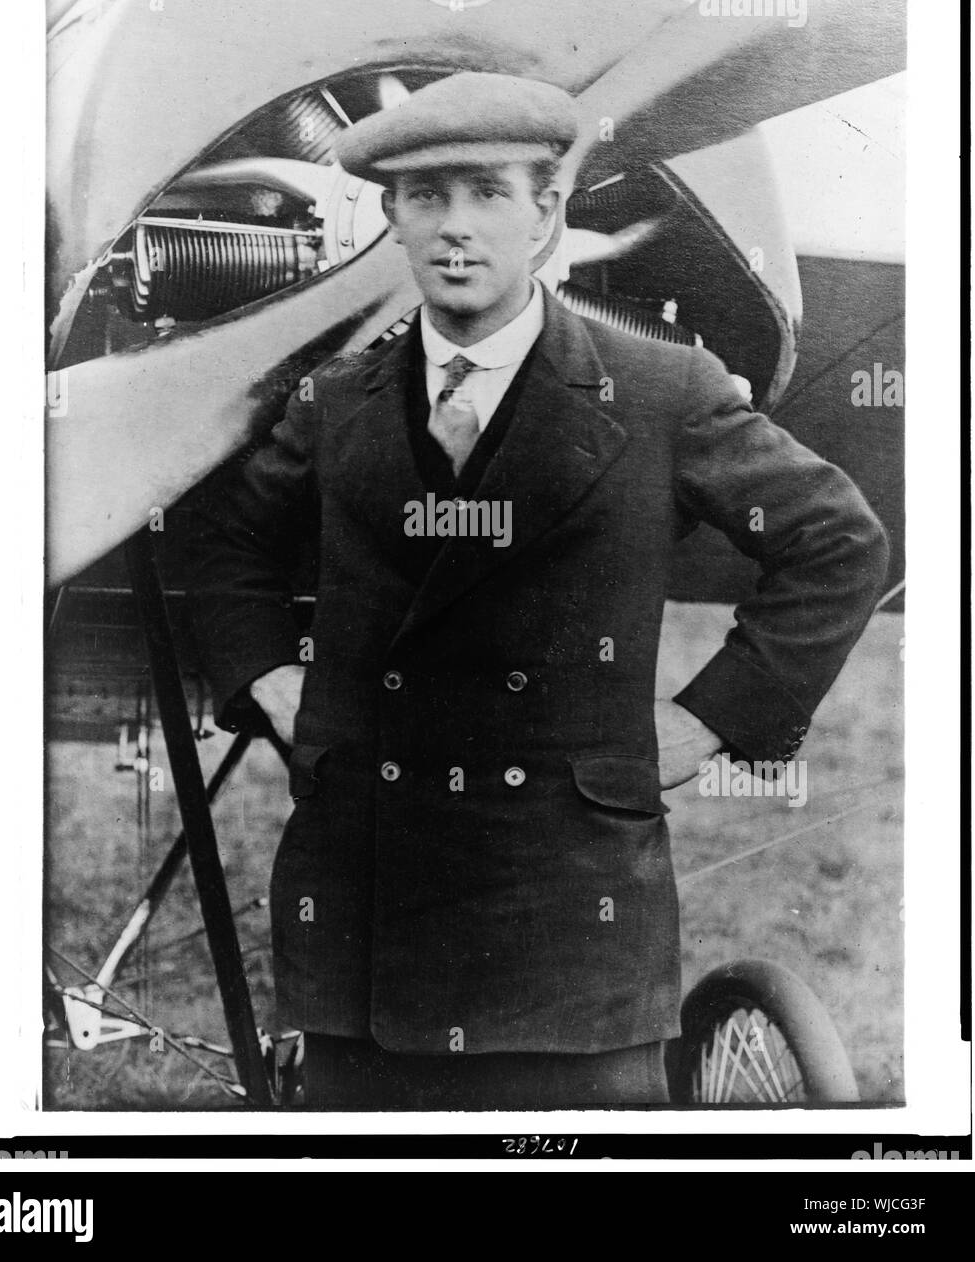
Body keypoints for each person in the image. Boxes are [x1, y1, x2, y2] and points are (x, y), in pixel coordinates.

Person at [182, 71, 890, 1110]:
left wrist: (712, 717)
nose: (454, 228)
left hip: (569, 924)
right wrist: (270, 683)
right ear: (391, 217)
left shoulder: (661, 391)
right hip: (368, 917)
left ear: (546, 214)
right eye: (425, 198)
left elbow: (837, 541)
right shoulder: (336, 404)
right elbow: (223, 542)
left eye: (485, 194)